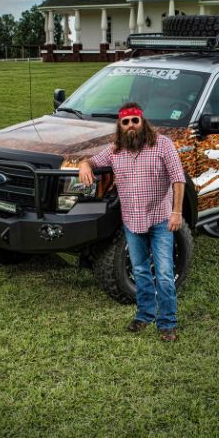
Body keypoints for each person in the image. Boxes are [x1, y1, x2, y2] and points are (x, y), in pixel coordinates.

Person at [79, 102, 186, 342]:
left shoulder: (163, 144)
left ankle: (167, 323)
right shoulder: (115, 149)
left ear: (142, 121)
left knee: (165, 273)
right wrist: (84, 166)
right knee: (139, 271)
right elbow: (92, 162)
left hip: (160, 219)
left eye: (134, 121)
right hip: (132, 221)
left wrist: (176, 212)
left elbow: (179, 179)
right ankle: (145, 315)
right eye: (125, 122)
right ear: (120, 126)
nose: (130, 126)